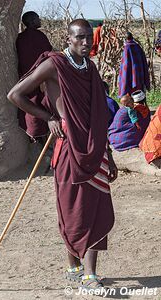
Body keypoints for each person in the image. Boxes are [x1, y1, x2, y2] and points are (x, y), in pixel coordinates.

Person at [8, 19, 117, 290]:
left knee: (94, 207)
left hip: (95, 147)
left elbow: (98, 116)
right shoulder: (54, 65)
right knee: (71, 211)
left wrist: (109, 153)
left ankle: (90, 276)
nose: (85, 42)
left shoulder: (90, 68)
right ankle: (74, 267)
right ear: (68, 39)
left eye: (88, 37)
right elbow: (15, 94)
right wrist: (49, 118)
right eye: (79, 37)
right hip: (68, 146)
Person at [16, 11, 52, 142]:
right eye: (37, 18)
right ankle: (40, 135)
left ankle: (32, 134)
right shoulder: (39, 36)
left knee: (28, 103)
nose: (40, 20)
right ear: (31, 21)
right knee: (39, 104)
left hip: (24, 77)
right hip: (40, 76)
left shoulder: (20, 37)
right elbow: (47, 55)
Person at [118, 32, 150, 98]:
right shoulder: (138, 46)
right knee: (139, 95)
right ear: (132, 38)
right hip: (139, 75)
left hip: (130, 76)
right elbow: (143, 61)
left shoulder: (127, 47)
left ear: (126, 39)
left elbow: (125, 65)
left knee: (131, 95)